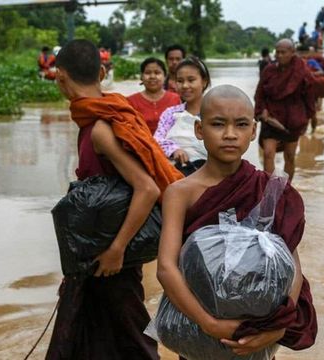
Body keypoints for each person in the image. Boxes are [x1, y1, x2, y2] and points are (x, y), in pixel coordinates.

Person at [157, 85, 317, 359]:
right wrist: (209, 324)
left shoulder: (270, 190)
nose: (230, 134)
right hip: (199, 328)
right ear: (199, 129)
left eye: (241, 125)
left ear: (253, 131)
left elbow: (290, 264)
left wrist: (278, 326)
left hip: (259, 329)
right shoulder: (180, 193)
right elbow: (166, 268)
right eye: (218, 124)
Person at [46, 39, 183, 360]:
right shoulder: (100, 116)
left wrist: (116, 251)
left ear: (60, 77)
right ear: (103, 72)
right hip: (96, 254)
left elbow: (147, 188)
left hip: (113, 256)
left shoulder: (100, 127)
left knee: (132, 335)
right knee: (89, 331)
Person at [255, 39, 315, 182]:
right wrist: (261, 110)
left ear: (292, 53)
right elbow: (259, 93)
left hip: (292, 119)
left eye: (283, 52)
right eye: (277, 52)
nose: (279, 55)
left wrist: (308, 116)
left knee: (290, 156)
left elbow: (309, 95)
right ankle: (268, 190)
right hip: (271, 116)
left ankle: (286, 189)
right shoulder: (269, 70)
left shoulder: (302, 71)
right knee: (268, 153)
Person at [155, 57, 211, 176]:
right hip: (176, 173)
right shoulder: (170, 113)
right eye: (180, 81)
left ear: (204, 82)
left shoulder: (216, 113)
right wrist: (174, 150)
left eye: (191, 80)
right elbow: (157, 140)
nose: (185, 86)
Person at [127, 57, 181, 134]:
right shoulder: (131, 101)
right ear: (141, 77)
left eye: (157, 72)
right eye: (148, 73)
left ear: (165, 76)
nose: (152, 76)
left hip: (172, 144)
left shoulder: (176, 99)